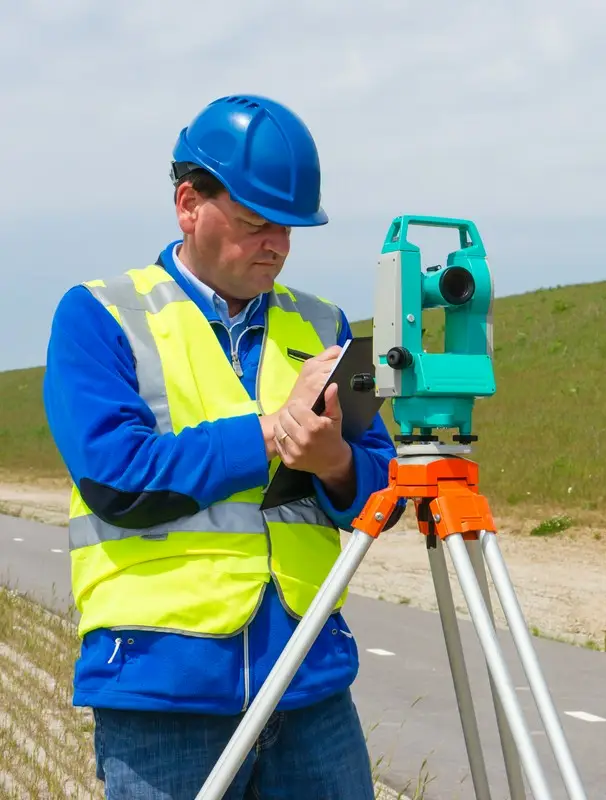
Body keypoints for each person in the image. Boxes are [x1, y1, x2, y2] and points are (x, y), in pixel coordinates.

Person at [42, 94, 400, 798]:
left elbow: (383, 482)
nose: (277, 244)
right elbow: (121, 478)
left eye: (290, 229)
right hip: (163, 695)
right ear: (187, 203)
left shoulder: (324, 322)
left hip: (309, 684)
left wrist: (332, 462)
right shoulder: (99, 314)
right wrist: (273, 432)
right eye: (255, 223)